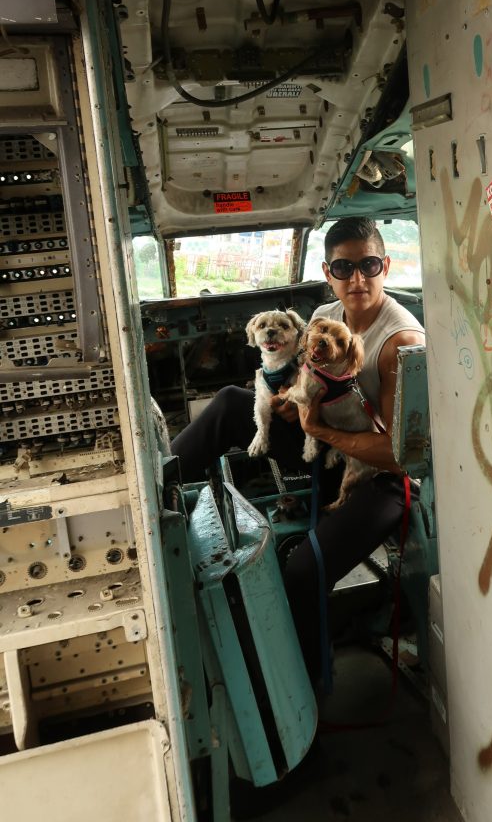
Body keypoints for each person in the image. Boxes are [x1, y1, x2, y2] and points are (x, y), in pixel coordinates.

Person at [170, 216, 425, 682]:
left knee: (304, 569)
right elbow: (307, 386)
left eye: (368, 265)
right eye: (343, 268)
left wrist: (320, 430)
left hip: (379, 478)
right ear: (327, 273)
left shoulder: (400, 342)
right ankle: (157, 489)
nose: (357, 279)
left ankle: (306, 689)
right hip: (326, 448)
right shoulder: (324, 318)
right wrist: (290, 406)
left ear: (385, 265)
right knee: (230, 402)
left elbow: (399, 455)